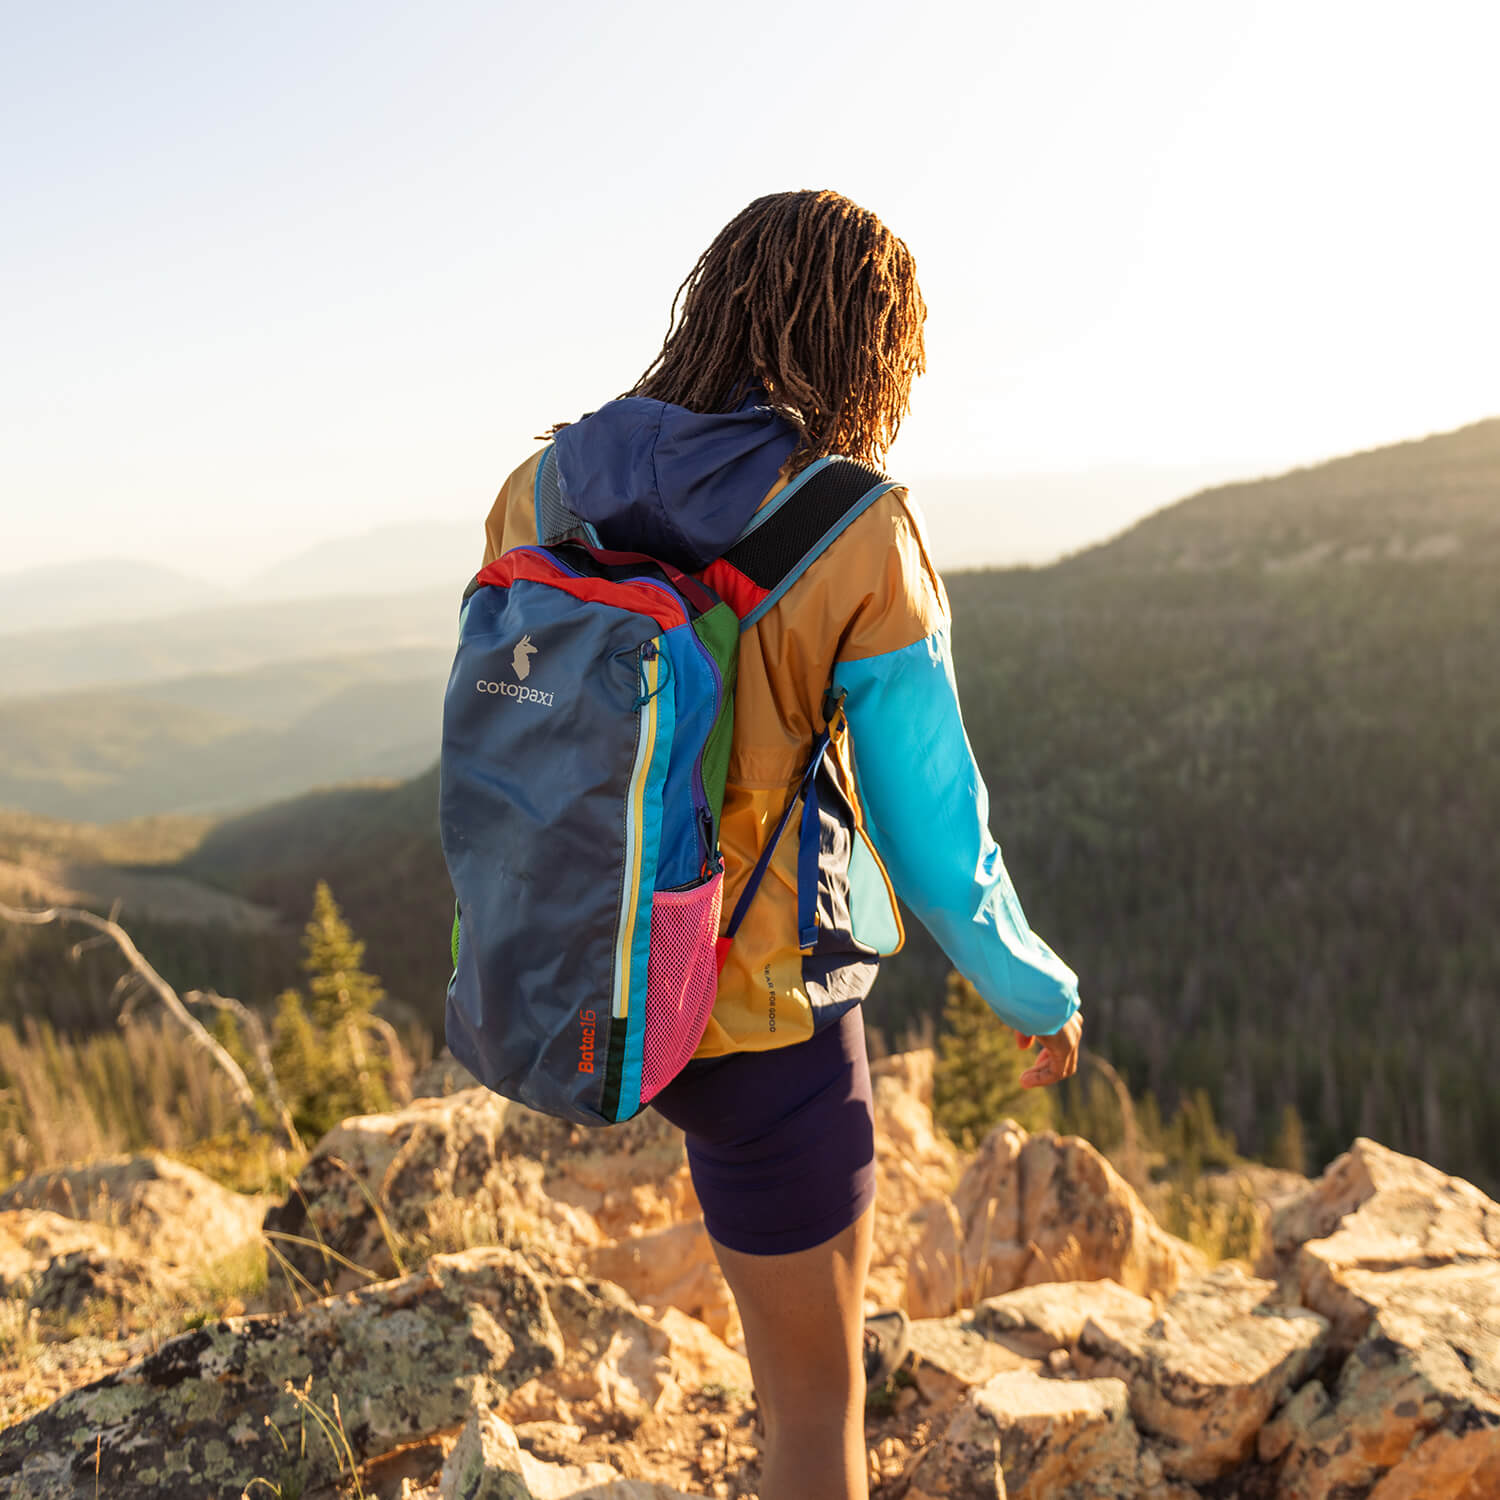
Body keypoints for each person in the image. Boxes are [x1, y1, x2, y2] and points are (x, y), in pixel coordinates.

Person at [481, 190, 1083, 1500]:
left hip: (590, 979)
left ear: (718, 302)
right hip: (764, 1021)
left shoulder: (546, 482)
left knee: (797, 1366)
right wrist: (1037, 992)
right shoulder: (858, 528)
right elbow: (935, 834)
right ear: (868, 349)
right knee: (815, 1419)